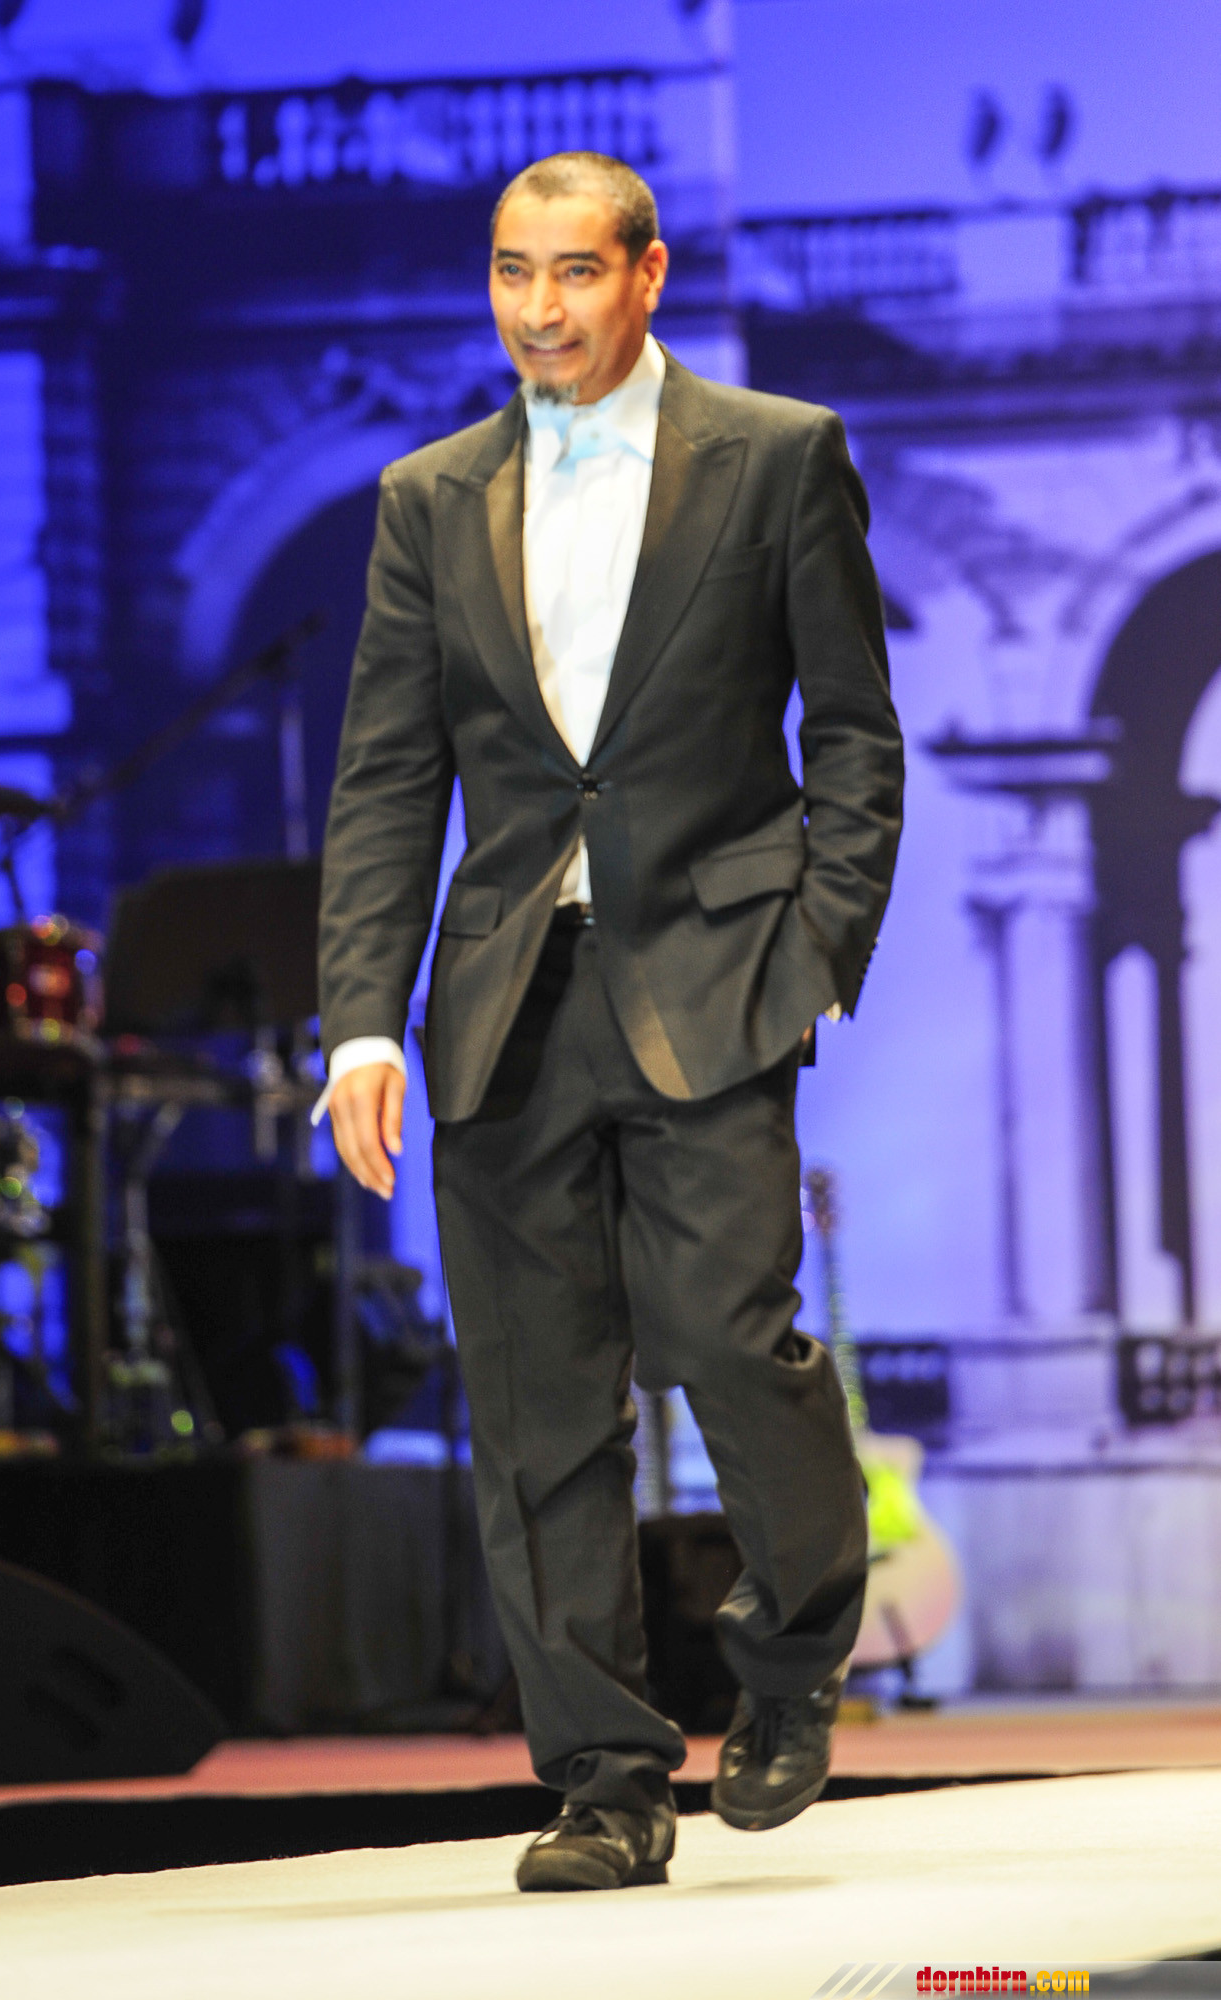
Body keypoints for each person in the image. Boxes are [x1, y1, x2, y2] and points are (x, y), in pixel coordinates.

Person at [317, 152, 904, 1892]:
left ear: (648, 275)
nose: (540, 308)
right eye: (513, 271)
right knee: (537, 1404)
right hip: (504, 994)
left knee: (729, 1340)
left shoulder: (776, 455)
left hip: (715, 977)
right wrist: (360, 1023)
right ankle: (604, 1778)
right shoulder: (428, 496)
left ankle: (793, 1654)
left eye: (574, 271)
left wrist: (820, 946)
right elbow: (386, 778)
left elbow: (854, 731)